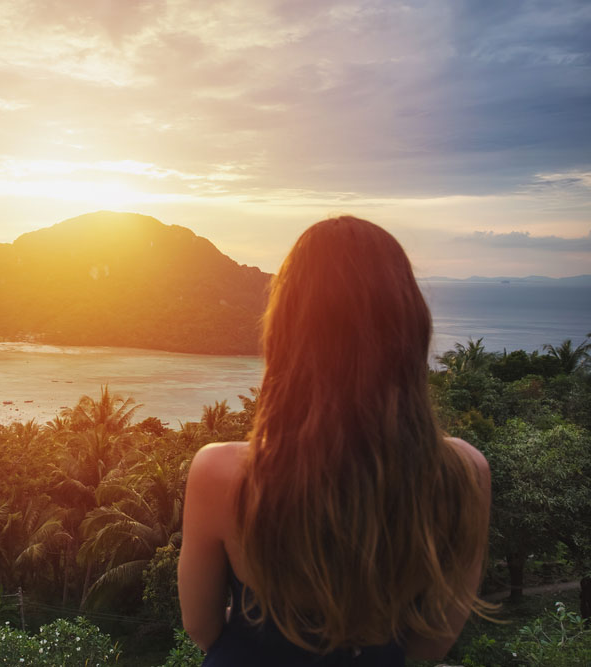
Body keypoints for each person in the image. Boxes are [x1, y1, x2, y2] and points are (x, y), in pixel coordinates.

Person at [178, 216, 492, 665]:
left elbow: (201, 626)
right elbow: (432, 644)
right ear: (409, 328)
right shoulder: (464, 474)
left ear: (285, 331)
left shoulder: (222, 472)